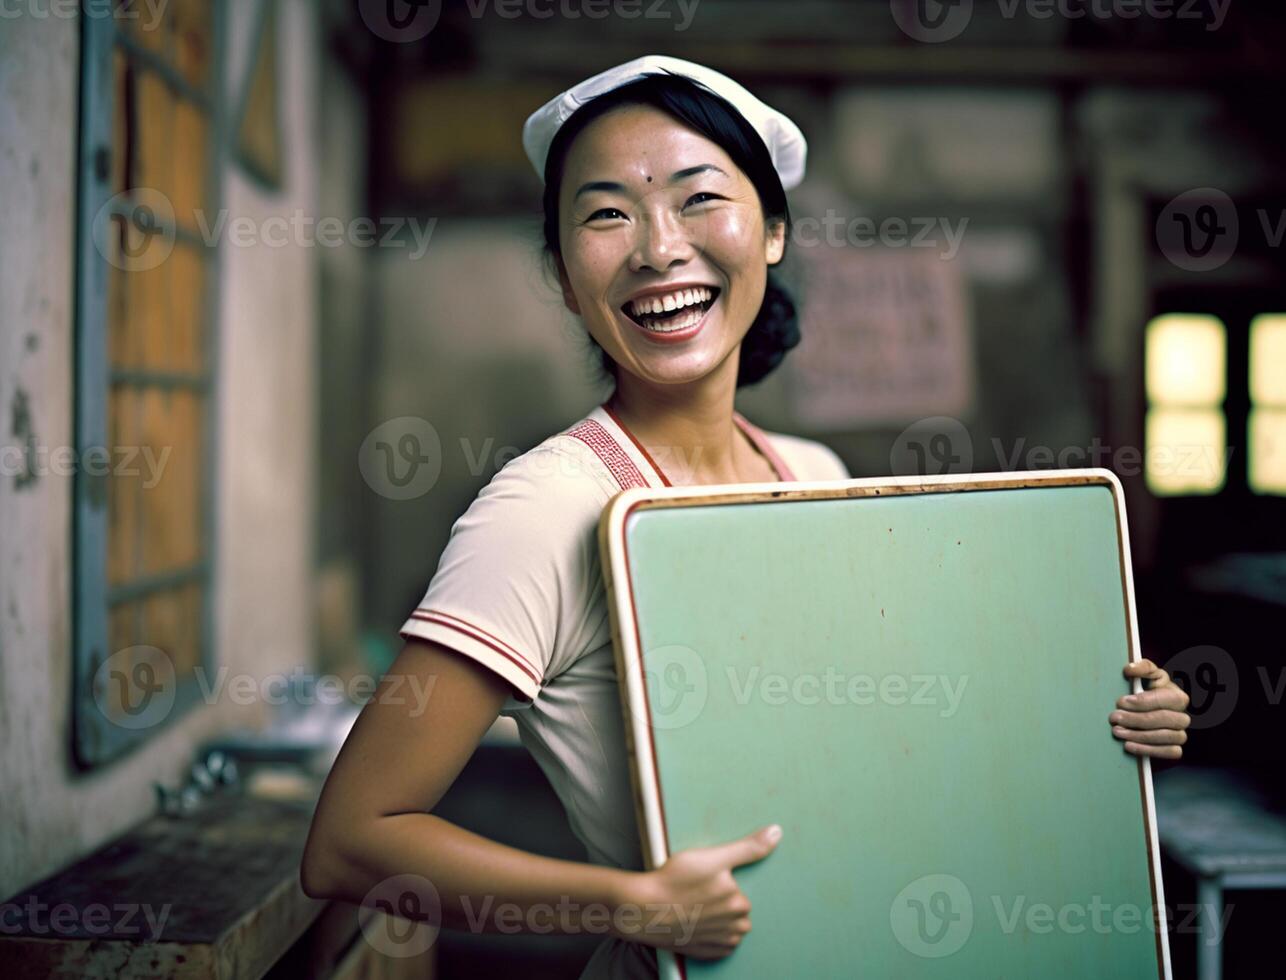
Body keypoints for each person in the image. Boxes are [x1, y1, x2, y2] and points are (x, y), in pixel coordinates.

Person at [299, 55, 1192, 978]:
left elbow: (895, 749)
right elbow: (353, 840)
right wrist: (630, 903)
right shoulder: (544, 508)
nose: (657, 248)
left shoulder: (812, 474)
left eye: (697, 199)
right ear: (566, 278)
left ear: (770, 232)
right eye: (606, 214)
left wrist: (1103, 720)